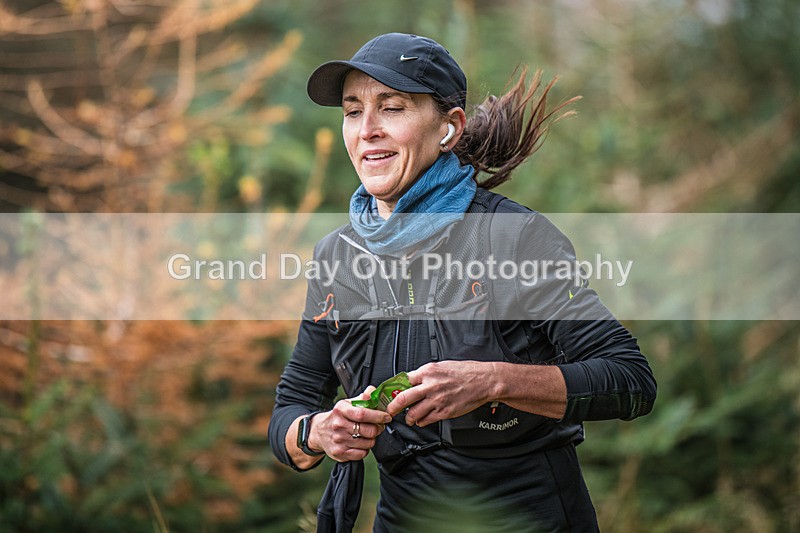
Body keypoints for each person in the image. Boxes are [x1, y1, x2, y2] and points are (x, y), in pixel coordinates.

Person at [268, 32, 656, 532]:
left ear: (449, 128)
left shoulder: (515, 239)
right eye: (352, 111)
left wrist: (494, 380)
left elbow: (630, 380)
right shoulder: (337, 259)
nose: (367, 130)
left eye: (392, 107)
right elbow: (289, 407)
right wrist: (319, 431)